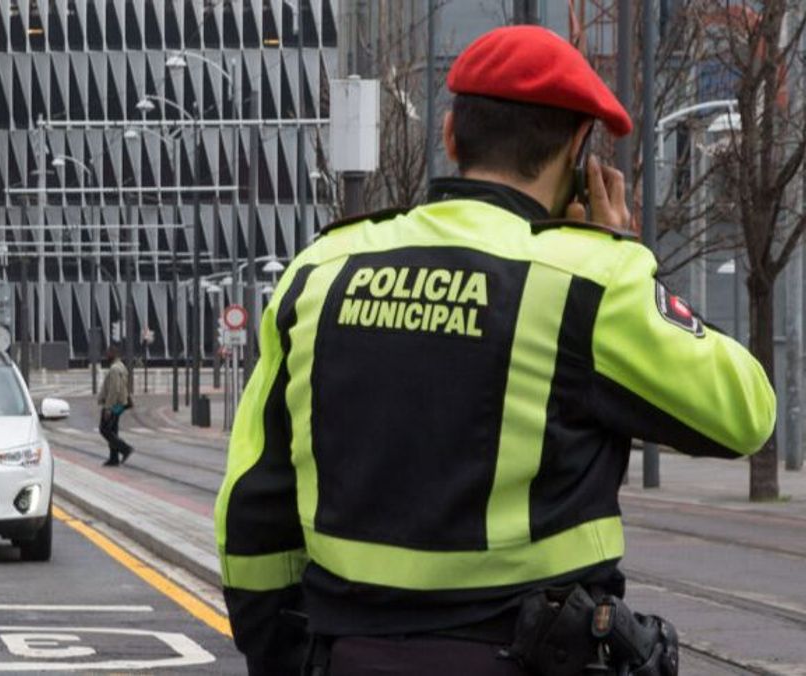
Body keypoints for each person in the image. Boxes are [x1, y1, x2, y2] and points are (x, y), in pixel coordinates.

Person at [215, 25, 776, 675]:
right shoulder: (588, 280)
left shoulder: (320, 267)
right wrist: (620, 251)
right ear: (577, 152)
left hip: (346, 653)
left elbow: (254, 498)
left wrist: (276, 651)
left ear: (451, 135)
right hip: (531, 654)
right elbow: (745, 413)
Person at [97, 343, 134, 466]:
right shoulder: (121, 366)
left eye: (107, 354)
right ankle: (114, 458)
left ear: (112, 354)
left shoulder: (114, 369)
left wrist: (108, 408)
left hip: (114, 405)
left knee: (104, 429)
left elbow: (114, 389)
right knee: (112, 430)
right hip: (120, 404)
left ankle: (125, 448)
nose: (105, 356)